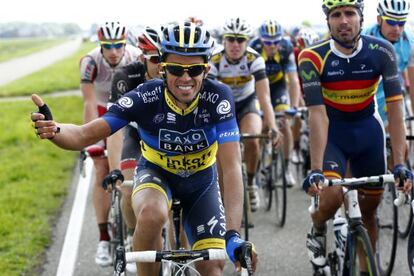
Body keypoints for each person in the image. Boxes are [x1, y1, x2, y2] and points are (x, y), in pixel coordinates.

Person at [31, 21, 257, 275]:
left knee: (212, 268)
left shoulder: (219, 97)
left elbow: (231, 168)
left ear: (206, 69)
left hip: (201, 182)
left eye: (194, 69)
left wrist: (234, 234)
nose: (185, 78)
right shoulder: (145, 96)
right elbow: (85, 134)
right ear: (162, 67)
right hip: (157, 173)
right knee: (151, 214)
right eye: (175, 69)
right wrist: (55, 130)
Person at [298, 0, 413, 274]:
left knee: (370, 211)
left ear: (361, 18)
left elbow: (396, 107)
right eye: (336, 15)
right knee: (331, 198)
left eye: (350, 13)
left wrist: (399, 162)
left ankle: (365, 270)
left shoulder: (381, 51)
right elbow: (317, 114)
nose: (344, 20)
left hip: (368, 132)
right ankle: (317, 229)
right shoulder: (311, 57)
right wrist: (315, 169)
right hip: (333, 133)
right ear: (328, 21)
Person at [78, 21, 140, 266]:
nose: (114, 51)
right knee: (101, 171)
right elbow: (89, 104)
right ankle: (104, 237)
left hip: (130, 111)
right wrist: (90, 141)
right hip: (104, 111)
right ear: (100, 45)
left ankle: (134, 232)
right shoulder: (90, 62)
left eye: (118, 45)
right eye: (108, 46)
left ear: (126, 44)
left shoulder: (136, 57)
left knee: (130, 170)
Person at [209, 17, 281, 212]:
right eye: (230, 39)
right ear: (223, 40)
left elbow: (264, 96)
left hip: (247, 103)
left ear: (247, 41)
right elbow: (208, 97)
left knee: (252, 140)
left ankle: (250, 182)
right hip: (222, 106)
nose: (235, 44)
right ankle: (223, 199)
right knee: (218, 152)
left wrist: (272, 125)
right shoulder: (214, 59)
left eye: (240, 40)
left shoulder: (254, 59)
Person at [105, 25, 162, 273]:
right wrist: (114, 169)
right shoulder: (126, 77)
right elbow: (114, 127)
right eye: (156, 59)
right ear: (142, 57)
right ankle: (131, 232)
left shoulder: (178, 76)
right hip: (136, 135)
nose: (163, 66)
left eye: (167, 59)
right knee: (128, 189)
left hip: (169, 141)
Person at [250, 19, 301, 187]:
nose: (272, 46)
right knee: (261, 126)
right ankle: (255, 169)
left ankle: (286, 169)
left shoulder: (286, 48)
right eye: (267, 42)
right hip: (257, 88)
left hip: (278, 88)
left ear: (281, 39)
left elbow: (293, 81)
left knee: (284, 123)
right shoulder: (253, 48)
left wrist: (294, 107)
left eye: (275, 42)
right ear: (261, 40)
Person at [363, 0, 414, 125]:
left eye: (401, 23)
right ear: (379, 19)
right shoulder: (364, 37)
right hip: (364, 97)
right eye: (391, 22)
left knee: (399, 141)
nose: (397, 28)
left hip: (390, 97)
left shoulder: (410, 42)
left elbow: (413, 85)